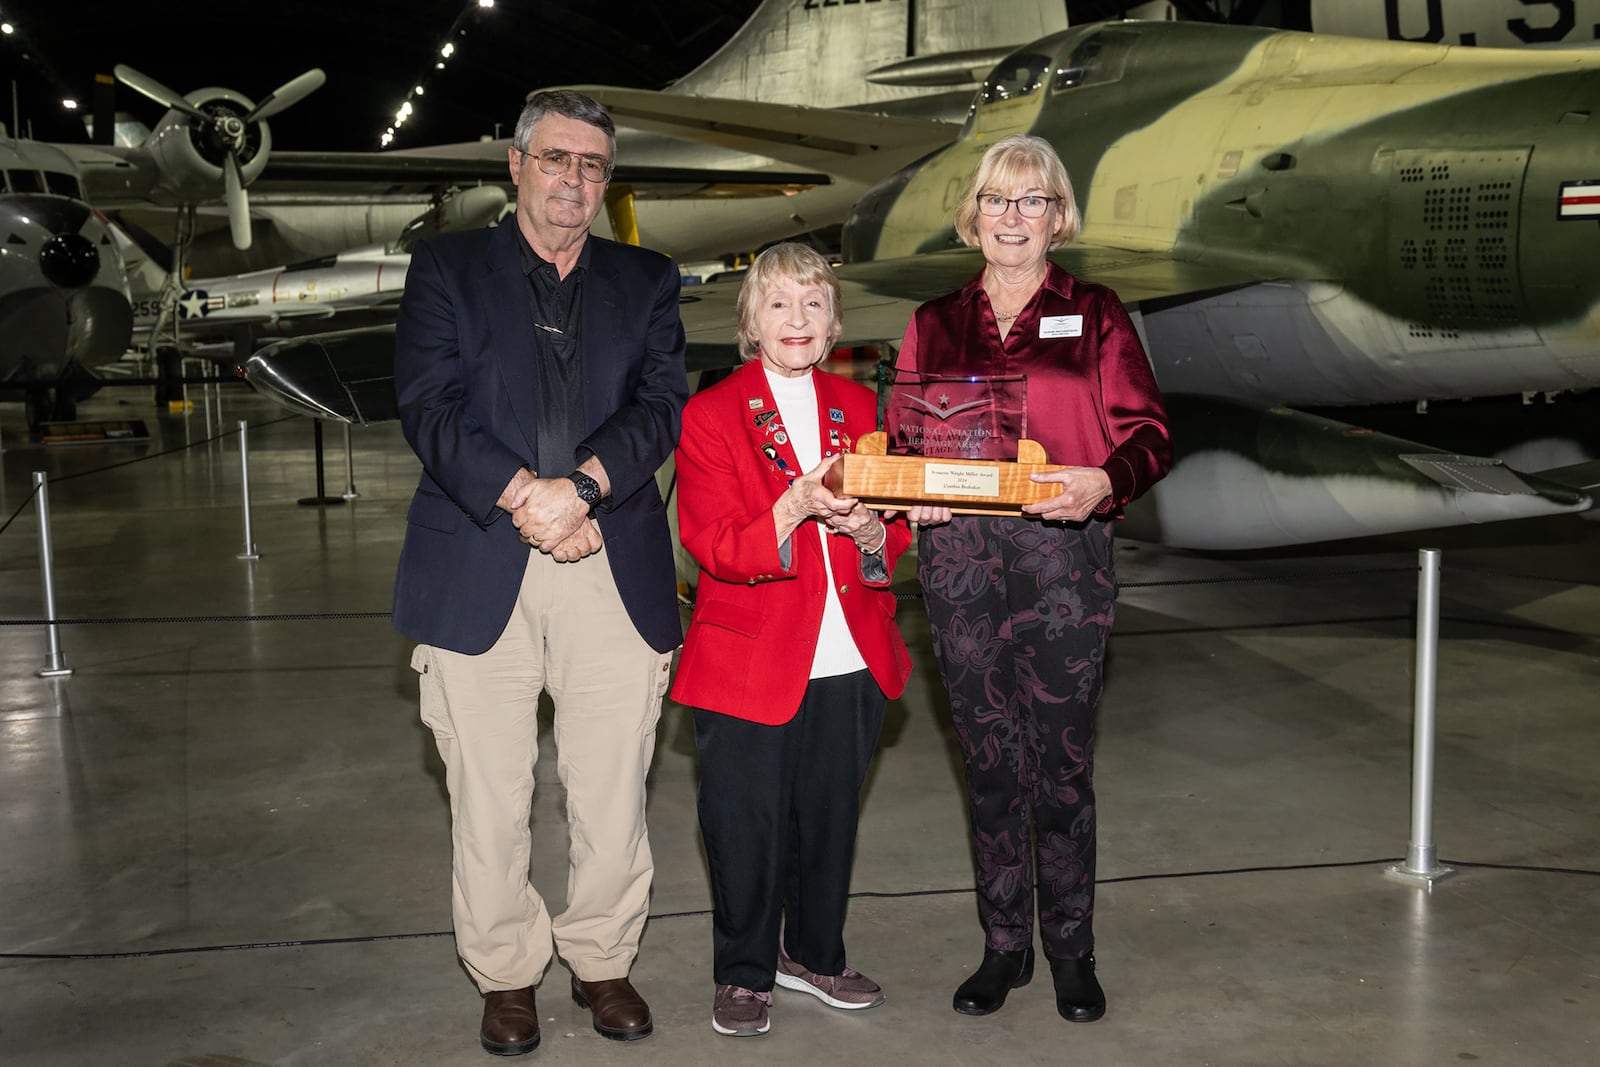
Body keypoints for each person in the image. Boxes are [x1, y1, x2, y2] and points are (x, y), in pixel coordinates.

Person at [391, 89, 687, 1057]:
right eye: (557, 159)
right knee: (490, 793)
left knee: (610, 786)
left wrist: (585, 489)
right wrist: (527, 494)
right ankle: (507, 972)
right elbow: (429, 405)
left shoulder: (644, 279)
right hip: (479, 562)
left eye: (593, 166)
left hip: (610, 560)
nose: (574, 180)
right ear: (515, 165)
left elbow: (659, 405)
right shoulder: (446, 266)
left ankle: (602, 957)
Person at [889, 134, 1172, 1024]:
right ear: (973, 217)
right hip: (961, 568)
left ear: (1058, 217)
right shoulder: (932, 321)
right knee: (988, 763)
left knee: (1060, 765)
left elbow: (1152, 434)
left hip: (1063, 567)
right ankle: (1004, 943)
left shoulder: (1095, 313)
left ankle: (1071, 949)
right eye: (998, 201)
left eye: (1034, 200)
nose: (1015, 217)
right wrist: (910, 500)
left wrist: (1105, 481)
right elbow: (900, 446)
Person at [670, 242, 913, 1038]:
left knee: (830, 816)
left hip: (850, 651)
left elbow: (895, 535)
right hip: (749, 656)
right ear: (750, 321)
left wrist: (875, 529)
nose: (798, 320)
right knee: (744, 823)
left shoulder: (862, 408)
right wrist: (794, 505)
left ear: (835, 317)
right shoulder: (710, 415)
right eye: (778, 304)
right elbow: (712, 543)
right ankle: (744, 970)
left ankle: (814, 952)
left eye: (813, 303)